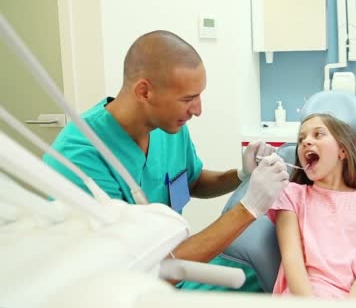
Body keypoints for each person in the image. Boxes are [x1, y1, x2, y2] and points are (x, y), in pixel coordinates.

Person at [43, 30, 289, 292]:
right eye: (188, 99)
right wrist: (248, 208)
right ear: (144, 91)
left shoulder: (168, 127)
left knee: (261, 280)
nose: (198, 110)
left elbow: (191, 183)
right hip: (125, 289)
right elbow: (142, 270)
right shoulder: (81, 157)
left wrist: (239, 175)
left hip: (174, 269)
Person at [267, 113, 356, 299]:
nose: (306, 142)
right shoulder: (290, 194)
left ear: (342, 151)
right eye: (301, 138)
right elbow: (292, 259)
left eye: (318, 134)